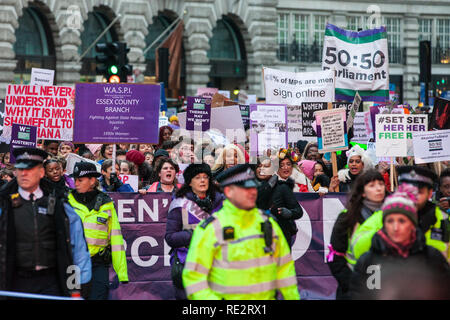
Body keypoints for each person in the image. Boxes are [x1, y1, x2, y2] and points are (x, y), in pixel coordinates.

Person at [182, 164, 299, 300]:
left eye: (253, 187)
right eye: (245, 188)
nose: (253, 192)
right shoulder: (211, 229)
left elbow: (285, 268)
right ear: (228, 191)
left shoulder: (268, 223)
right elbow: (194, 277)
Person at [0, 148, 91, 297]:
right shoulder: (4, 206)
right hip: (14, 284)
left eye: (29, 169)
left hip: (52, 283)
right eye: (20, 169)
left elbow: (76, 251)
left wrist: (75, 289)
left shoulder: (60, 207)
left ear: (41, 173)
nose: (24, 173)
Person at [349, 187, 450, 299]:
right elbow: (363, 295)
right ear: (384, 224)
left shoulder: (432, 258)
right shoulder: (370, 260)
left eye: (401, 221)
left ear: (412, 224)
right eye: (390, 221)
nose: (395, 227)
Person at [347, 166, 450, 265]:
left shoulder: (443, 218)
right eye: (407, 191)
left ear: (429, 193)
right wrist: (384, 234)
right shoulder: (383, 215)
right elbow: (357, 248)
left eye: (418, 192)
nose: (412, 196)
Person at [68, 161, 128, 300]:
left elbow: (116, 239)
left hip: (98, 264)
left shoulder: (106, 203)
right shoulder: (66, 200)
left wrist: (122, 272)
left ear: (92, 180)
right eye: (75, 179)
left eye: (80, 180)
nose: (76, 183)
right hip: (72, 264)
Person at [165, 163, 224, 299]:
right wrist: (197, 235)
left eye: (205, 177)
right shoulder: (179, 204)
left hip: (217, 265)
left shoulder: (221, 202)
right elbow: (170, 237)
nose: (202, 180)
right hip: (188, 263)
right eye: (197, 177)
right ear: (190, 182)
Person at [327, 170, 386, 299]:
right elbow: (334, 257)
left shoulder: (393, 216)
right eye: (372, 185)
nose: (378, 189)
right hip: (354, 286)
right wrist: (350, 283)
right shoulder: (347, 217)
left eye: (381, 184)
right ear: (363, 192)